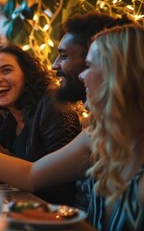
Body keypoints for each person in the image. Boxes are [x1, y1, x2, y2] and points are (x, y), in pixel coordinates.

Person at [0, 24, 144, 230]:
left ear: (120, 73)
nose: (81, 75)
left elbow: (45, 185)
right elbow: (31, 175)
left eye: (89, 65)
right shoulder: (98, 133)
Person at [0, 44, 82, 205]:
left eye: (6, 70)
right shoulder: (9, 117)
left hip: (55, 217)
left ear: (27, 75)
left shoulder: (53, 104)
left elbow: (61, 184)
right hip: (21, 207)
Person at [52, 11, 134, 209]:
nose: (54, 65)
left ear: (111, 64)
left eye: (63, 56)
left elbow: (31, 176)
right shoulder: (97, 128)